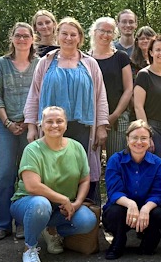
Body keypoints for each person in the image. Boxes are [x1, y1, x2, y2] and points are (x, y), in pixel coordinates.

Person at [24, 17, 109, 201]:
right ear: (57, 36)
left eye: (73, 34)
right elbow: (34, 95)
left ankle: (86, 211)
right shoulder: (45, 62)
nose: (68, 38)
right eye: (64, 34)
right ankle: (54, 210)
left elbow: (101, 96)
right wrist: (31, 126)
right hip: (52, 128)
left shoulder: (90, 63)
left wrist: (101, 126)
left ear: (80, 38)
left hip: (83, 128)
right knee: (52, 169)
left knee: (83, 169)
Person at [10, 106, 97, 262]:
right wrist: (64, 199)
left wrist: (77, 203)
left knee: (87, 220)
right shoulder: (32, 150)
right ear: (41, 125)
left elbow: (85, 179)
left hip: (61, 208)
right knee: (41, 205)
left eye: (59, 121)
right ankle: (30, 248)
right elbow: (32, 186)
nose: (55, 125)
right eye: (49, 121)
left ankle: (51, 229)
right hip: (29, 203)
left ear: (66, 125)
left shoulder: (77, 147)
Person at [0, 22, 40, 240]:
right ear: (12, 38)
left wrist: (30, 122)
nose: (21, 39)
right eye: (18, 35)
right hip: (5, 126)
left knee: (27, 174)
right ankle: (2, 224)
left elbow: (43, 94)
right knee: (4, 174)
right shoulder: (2, 63)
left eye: (26, 36)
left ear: (32, 39)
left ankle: (21, 221)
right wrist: (7, 122)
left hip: (32, 126)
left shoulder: (39, 63)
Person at [103, 120, 161, 259]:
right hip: (122, 209)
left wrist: (145, 209)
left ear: (150, 141)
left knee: (158, 215)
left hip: (146, 210)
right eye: (134, 137)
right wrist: (131, 204)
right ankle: (118, 241)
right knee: (114, 212)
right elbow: (114, 191)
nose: (139, 142)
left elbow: (158, 193)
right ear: (127, 139)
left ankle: (149, 241)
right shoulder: (115, 160)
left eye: (144, 138)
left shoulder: (157, 163)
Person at [134, 35, 161, 179]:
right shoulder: (144, 75)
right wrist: (147, 134)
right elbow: (138, 107)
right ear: (151, 52)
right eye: (157, 50)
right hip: (154, 129)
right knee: (153, 169)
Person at [89, 17, 133, 158]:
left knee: (117, 161)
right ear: (94, 32)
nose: (105, 35)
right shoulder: (85, 59)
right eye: (102, 30)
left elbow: (128, 89)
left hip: (117, 119)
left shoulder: (121, 57)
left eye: (110, 32)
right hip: (91, 119)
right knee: (91, 161)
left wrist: (114, 115)